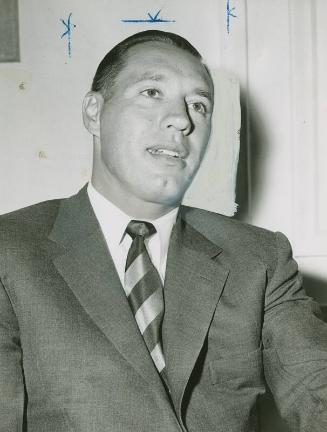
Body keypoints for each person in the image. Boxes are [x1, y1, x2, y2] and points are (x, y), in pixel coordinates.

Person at [0, 30, 326, 432]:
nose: (182, 119)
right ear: (94, 113)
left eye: (199, 105)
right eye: (152, 92)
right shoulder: (10, 251)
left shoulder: (259, 259)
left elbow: (318, 391)